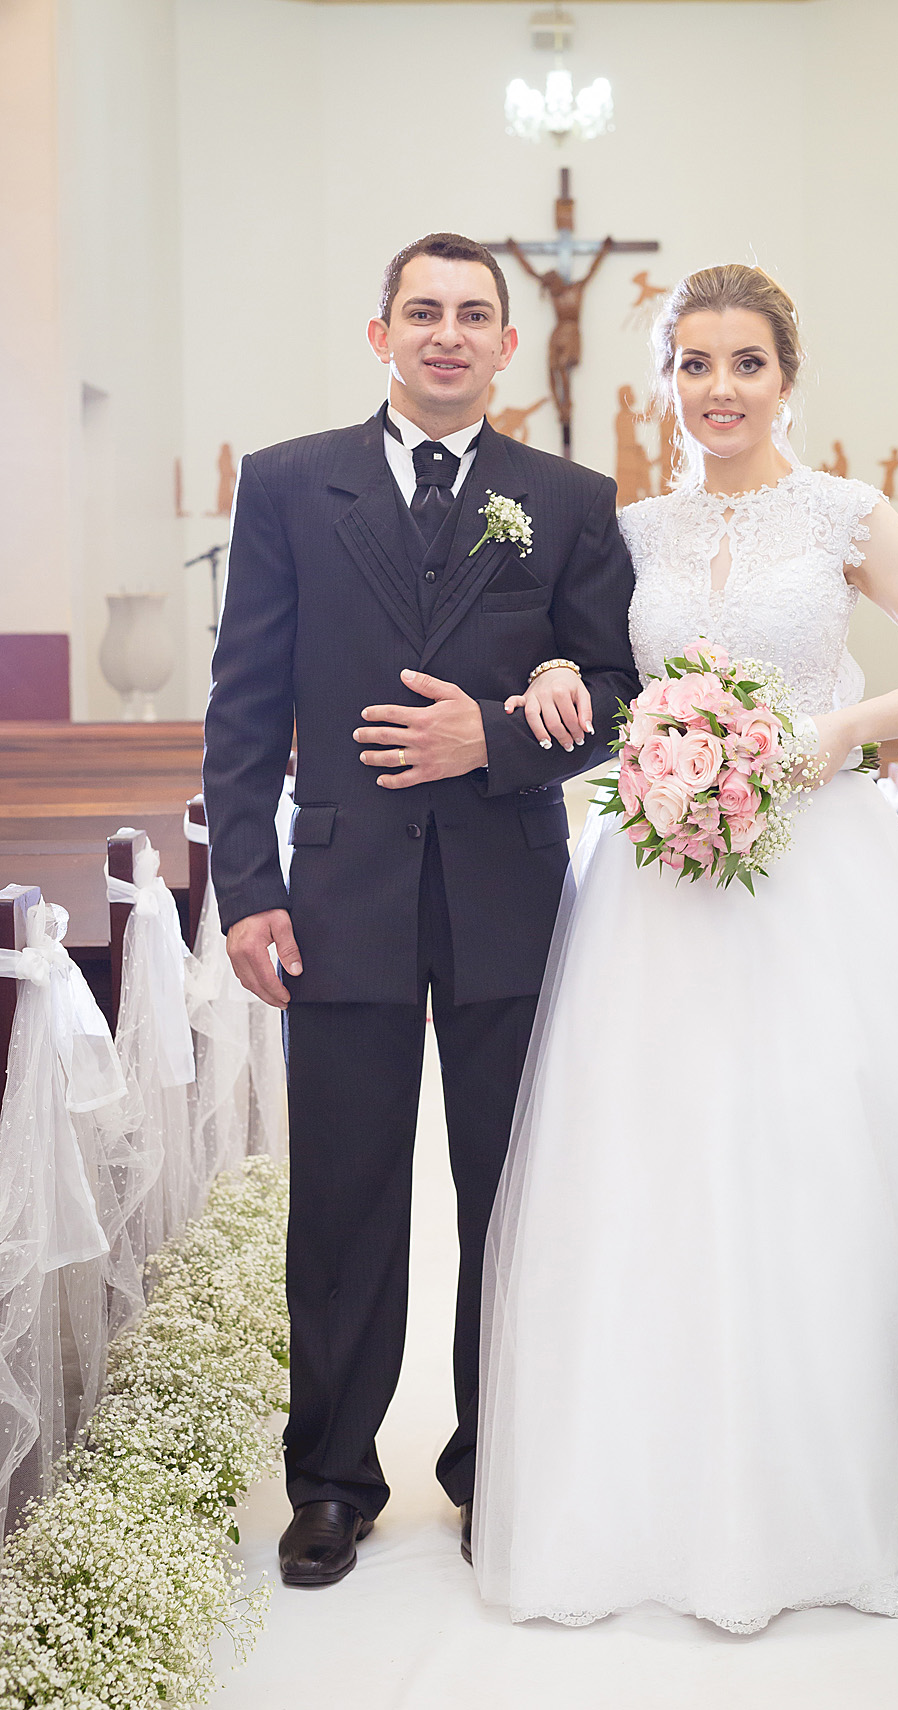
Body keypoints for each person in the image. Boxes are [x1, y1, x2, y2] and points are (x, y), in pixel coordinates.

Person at [475, 263, 898, 1631]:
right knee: (655, 1163)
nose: (718, 389)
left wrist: (824, 735)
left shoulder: (844, 512)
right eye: (694, 363)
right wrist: (555, 685)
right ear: (665, 379)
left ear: (786, 374)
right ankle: (648, 1484)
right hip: (657, 888)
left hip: (813, 872)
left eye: (744, 363)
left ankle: (817, 1486)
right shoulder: (630, 529)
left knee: (804, 1160)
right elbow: (591, 673)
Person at [202, 231, 639, 1588]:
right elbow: (242, 704)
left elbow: (620, 699)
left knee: (512, 1193)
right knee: (343, 1202)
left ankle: (493, 1461)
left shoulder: (566, 498)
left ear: (510, 345)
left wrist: (496, 738)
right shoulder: (282, 485)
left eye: (473, 316)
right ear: (379, 332)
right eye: (422, 311)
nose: (447, 335)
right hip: (338, 892)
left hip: (510, 891)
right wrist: (247, 890)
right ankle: (332, 1478)